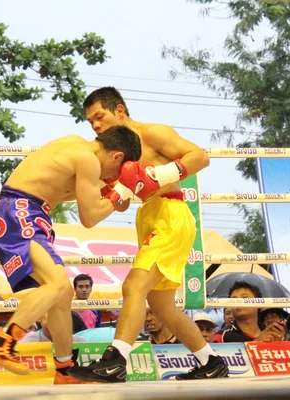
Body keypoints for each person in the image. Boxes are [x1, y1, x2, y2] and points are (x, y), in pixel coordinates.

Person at [68, 86, 227, 383]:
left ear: (119, 110)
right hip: (150, 217)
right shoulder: (117, 151)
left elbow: (200, 157)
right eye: (90, 122)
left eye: (99, 117)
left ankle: (115, 361)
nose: (96, 126)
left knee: (133, 287)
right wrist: (116, 187)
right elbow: (125, 200)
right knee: (161, 304)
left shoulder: (152, 133)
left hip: (171, 214)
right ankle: (211, 362)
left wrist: (158, 175)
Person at [0, 126, 142, 383]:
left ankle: (64, 368)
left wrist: (118, 188)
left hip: (23, 212)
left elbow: (111, 203)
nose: (112, 175)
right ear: (117, 156)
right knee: (56, 285)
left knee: (63, 293)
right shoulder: (87, 160)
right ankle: (3, 342)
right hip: (21, 210)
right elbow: (90, 218)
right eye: (117, 170)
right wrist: (120, 190)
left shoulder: (76, 148)